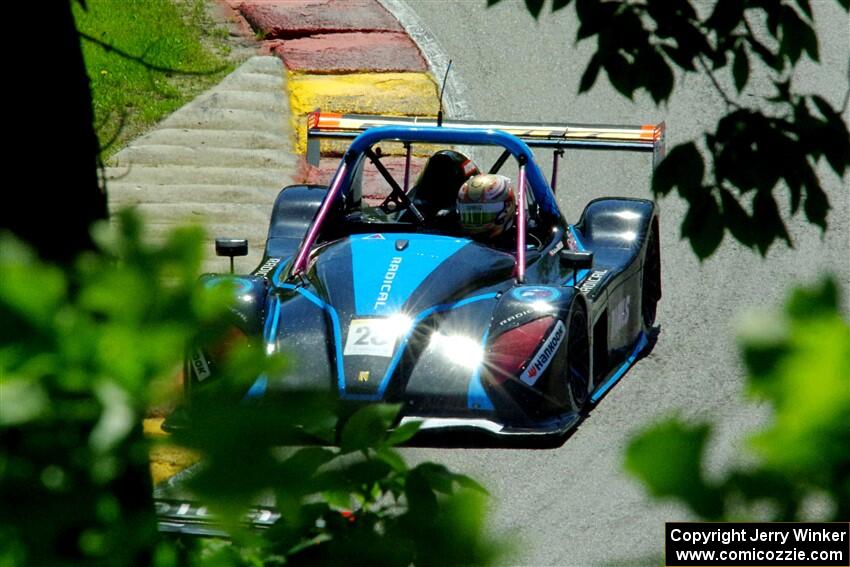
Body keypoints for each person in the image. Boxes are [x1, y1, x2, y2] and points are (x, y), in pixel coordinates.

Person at [456, 173, 517, 247]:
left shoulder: (524, 237)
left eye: (484, 214)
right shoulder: (455, 238)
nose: (476, 224)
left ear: (507, 207)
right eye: (469, 214)